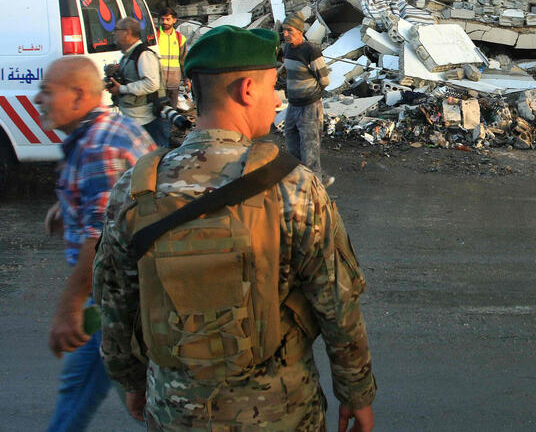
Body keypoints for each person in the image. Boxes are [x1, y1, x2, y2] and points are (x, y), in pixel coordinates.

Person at [93, 25, 376, 430]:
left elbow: (116, 303)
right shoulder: (293, 185)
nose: (278, 100)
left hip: (176, 412)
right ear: (246, 90)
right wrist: (356, 392)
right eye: (271, 86)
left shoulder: (137, 189)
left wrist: (131, 382)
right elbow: (337, 301)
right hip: (283, 412)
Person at [35, 57, 155, 432]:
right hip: (116, 297)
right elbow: (110, 201)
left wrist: (69, 310)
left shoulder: (98, 147)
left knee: (144, 403)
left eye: (47, 91)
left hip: (116, 300)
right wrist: (67, 205)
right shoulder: (103, 130)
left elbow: (99, 239)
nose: (39, 99)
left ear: (77, 96)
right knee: (83, 384)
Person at [280, 13, 334, 188]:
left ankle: (316, 186)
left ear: (300, 31)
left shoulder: (311, 51)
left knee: (309, 148)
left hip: (310, 106)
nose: (286, 34)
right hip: (293, 106)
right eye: (284, 31)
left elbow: (325, 80)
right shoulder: (288, 49)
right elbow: (286, 69)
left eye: (289, 30)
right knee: (292, 144)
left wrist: (311, 92)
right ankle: (300, 180)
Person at [109, 17, 166, 147]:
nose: (114, 33)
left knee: (150, 162)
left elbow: (152, 84)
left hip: (145, 121)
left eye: (117, 30)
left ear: (127, 32)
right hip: (133, 119)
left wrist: (123, 89)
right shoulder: (128, 55)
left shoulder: (144, 55)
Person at [155, 7, 187, 112]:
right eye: (162, 19)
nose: (164, 22)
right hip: (158, 84)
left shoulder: (180, 38)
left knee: (172, 112)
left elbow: (183, 60)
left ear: (174, 20)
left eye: (168, 19)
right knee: (159, 112)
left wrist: (187, 79)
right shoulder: (155, 37)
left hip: (174, 83)